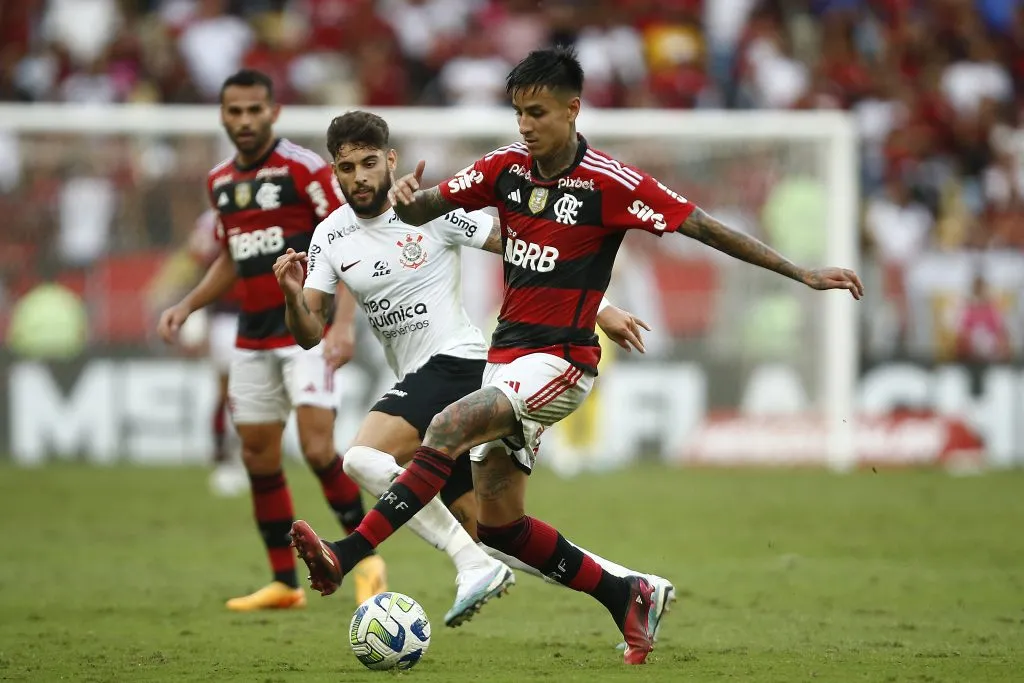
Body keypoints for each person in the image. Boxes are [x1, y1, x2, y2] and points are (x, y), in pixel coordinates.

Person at [290, 48, 864, 664]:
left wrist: (800, 272)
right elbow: (424, 211)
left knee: (445, 426)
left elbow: (702, 227)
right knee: (501, 529)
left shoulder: (612, 184)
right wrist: (408, 198)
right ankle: (629, 594)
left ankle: (345, 554)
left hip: (561, 363)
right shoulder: (504, 168)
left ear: (573, 109)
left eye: (537, 112)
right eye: (518, 113)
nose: (525, 126)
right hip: (506, 362)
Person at [273, 110, 675, 630]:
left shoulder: (427, 210)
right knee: (495, 532)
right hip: (416, 376)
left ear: (389, 160)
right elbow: (309, 332)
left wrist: (600, 307)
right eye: (347, 168)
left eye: (370, 163)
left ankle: (454, 565)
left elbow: (526, 253)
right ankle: (630, 590)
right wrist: (289, 294)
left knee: (363, 458)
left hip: (461, 362)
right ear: (335, 172)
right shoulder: (330, 237)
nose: (360, 177)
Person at [156, 69, 385, 612]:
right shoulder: (219, 182)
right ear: (223, 116)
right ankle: (285, 582)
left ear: (273, 112)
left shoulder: (304, 169)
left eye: (254, 110)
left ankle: (365, 557)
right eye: (234, 112)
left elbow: (348, 240)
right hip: (250, 337)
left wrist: (346, 323)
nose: (244, 120)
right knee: (258, 457)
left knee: (316, 447)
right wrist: (188, 303)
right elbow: (234, 258)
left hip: (307, 330)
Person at [148, 208, 248, 497]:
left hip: (229, 319)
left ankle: (227, 457)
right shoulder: (253, 211)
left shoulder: (209, 220)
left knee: (231, 392)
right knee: (239, 393)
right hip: (236, 317)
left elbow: (198, 260)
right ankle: (230, 458)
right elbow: (203, 263)